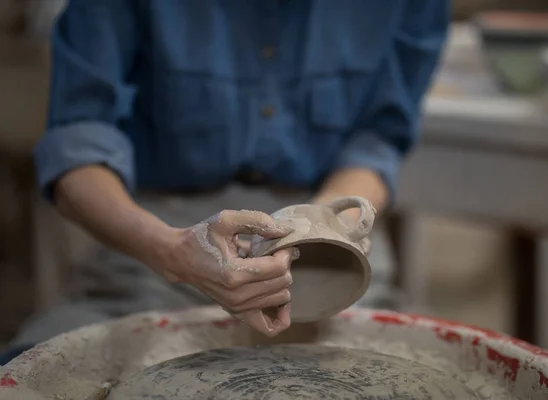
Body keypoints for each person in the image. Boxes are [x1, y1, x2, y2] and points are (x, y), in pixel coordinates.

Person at [0, 0, 449, 364]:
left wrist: (322, 225)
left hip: (330, 230)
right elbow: (77, 144)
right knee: (34, 369)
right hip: (162, 237)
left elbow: (377, 139)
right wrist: (173, 252)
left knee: (427, 370)